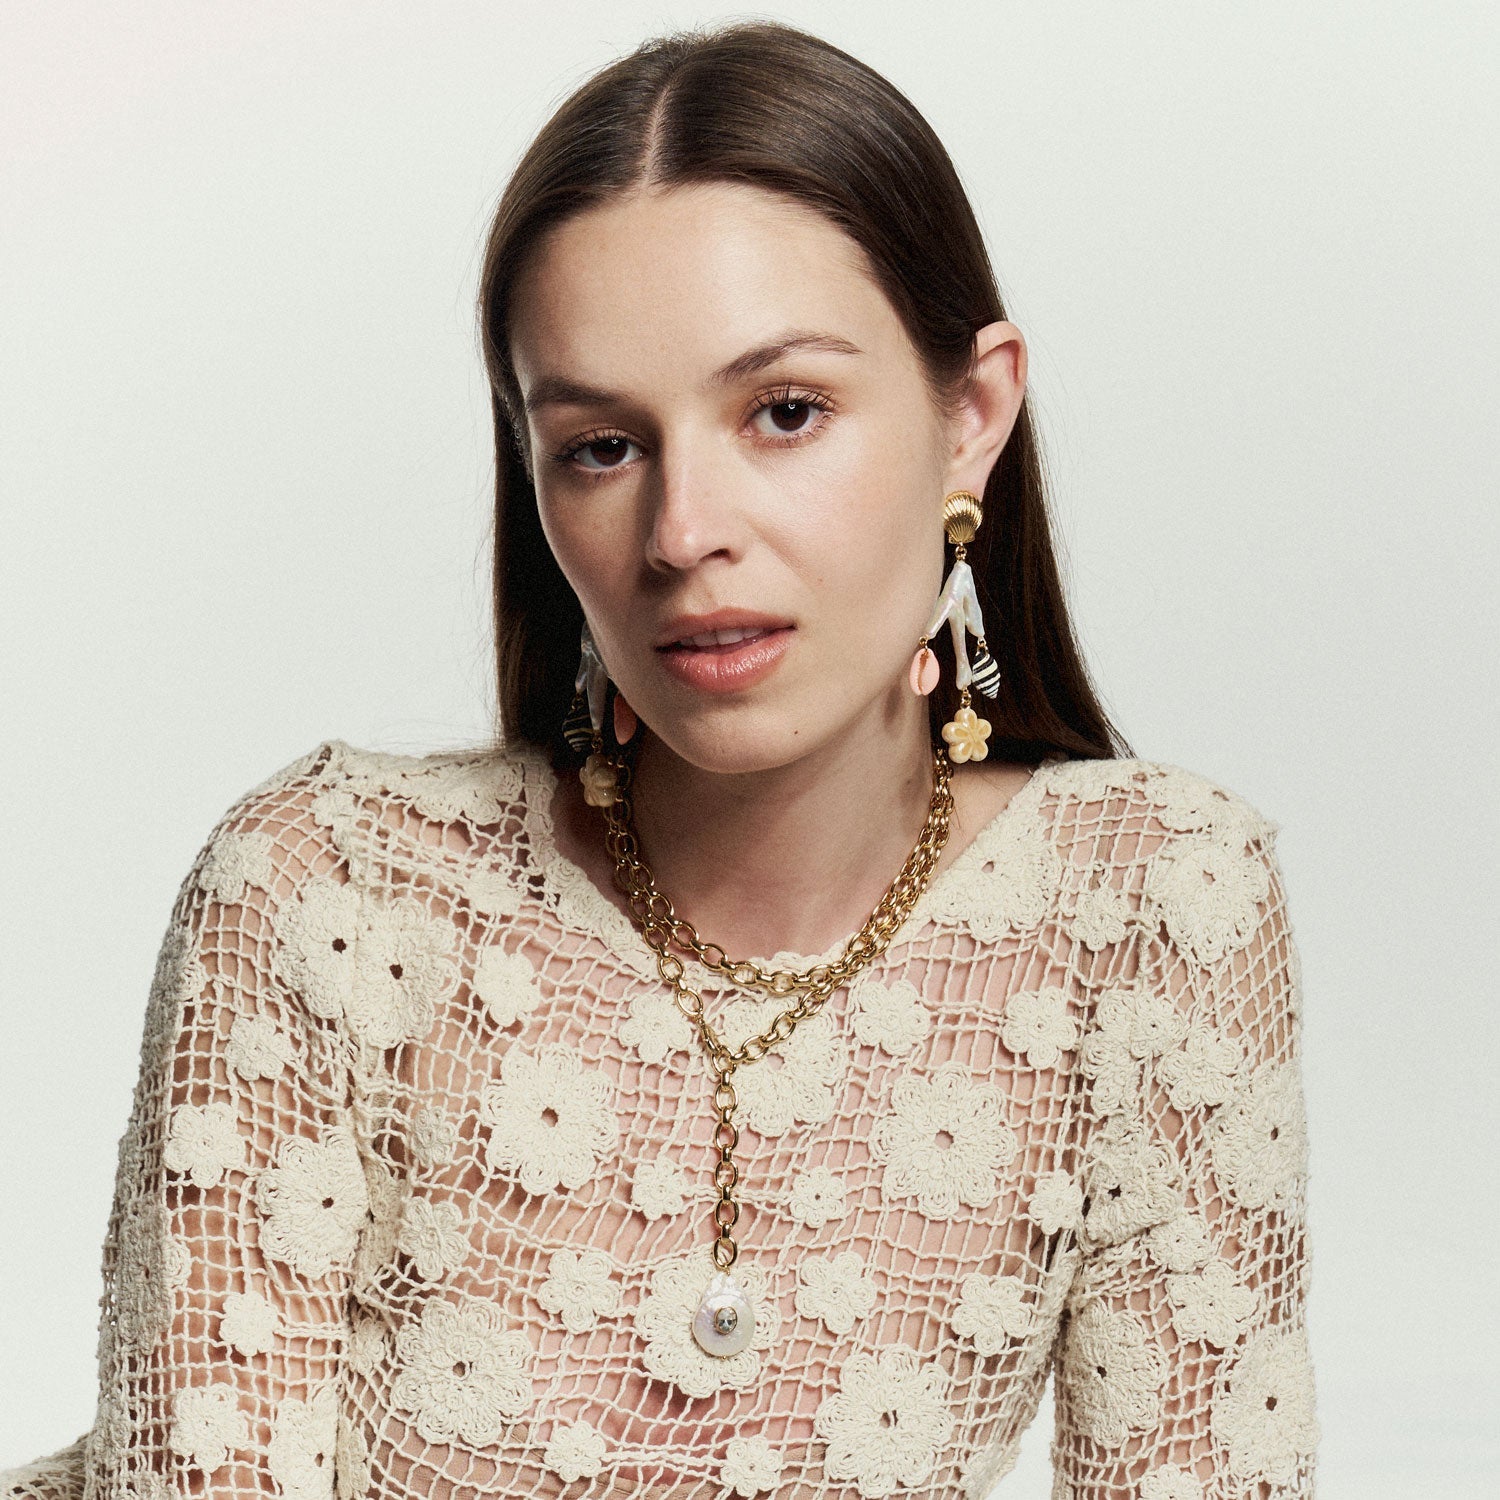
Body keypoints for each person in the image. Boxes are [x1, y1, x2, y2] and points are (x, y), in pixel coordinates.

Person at [2, 19, 1317, 1500]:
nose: (685, 531)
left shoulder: (1153, 906)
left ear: (973, 415)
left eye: (785, 413)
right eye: (600, 446)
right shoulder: (332, 892)